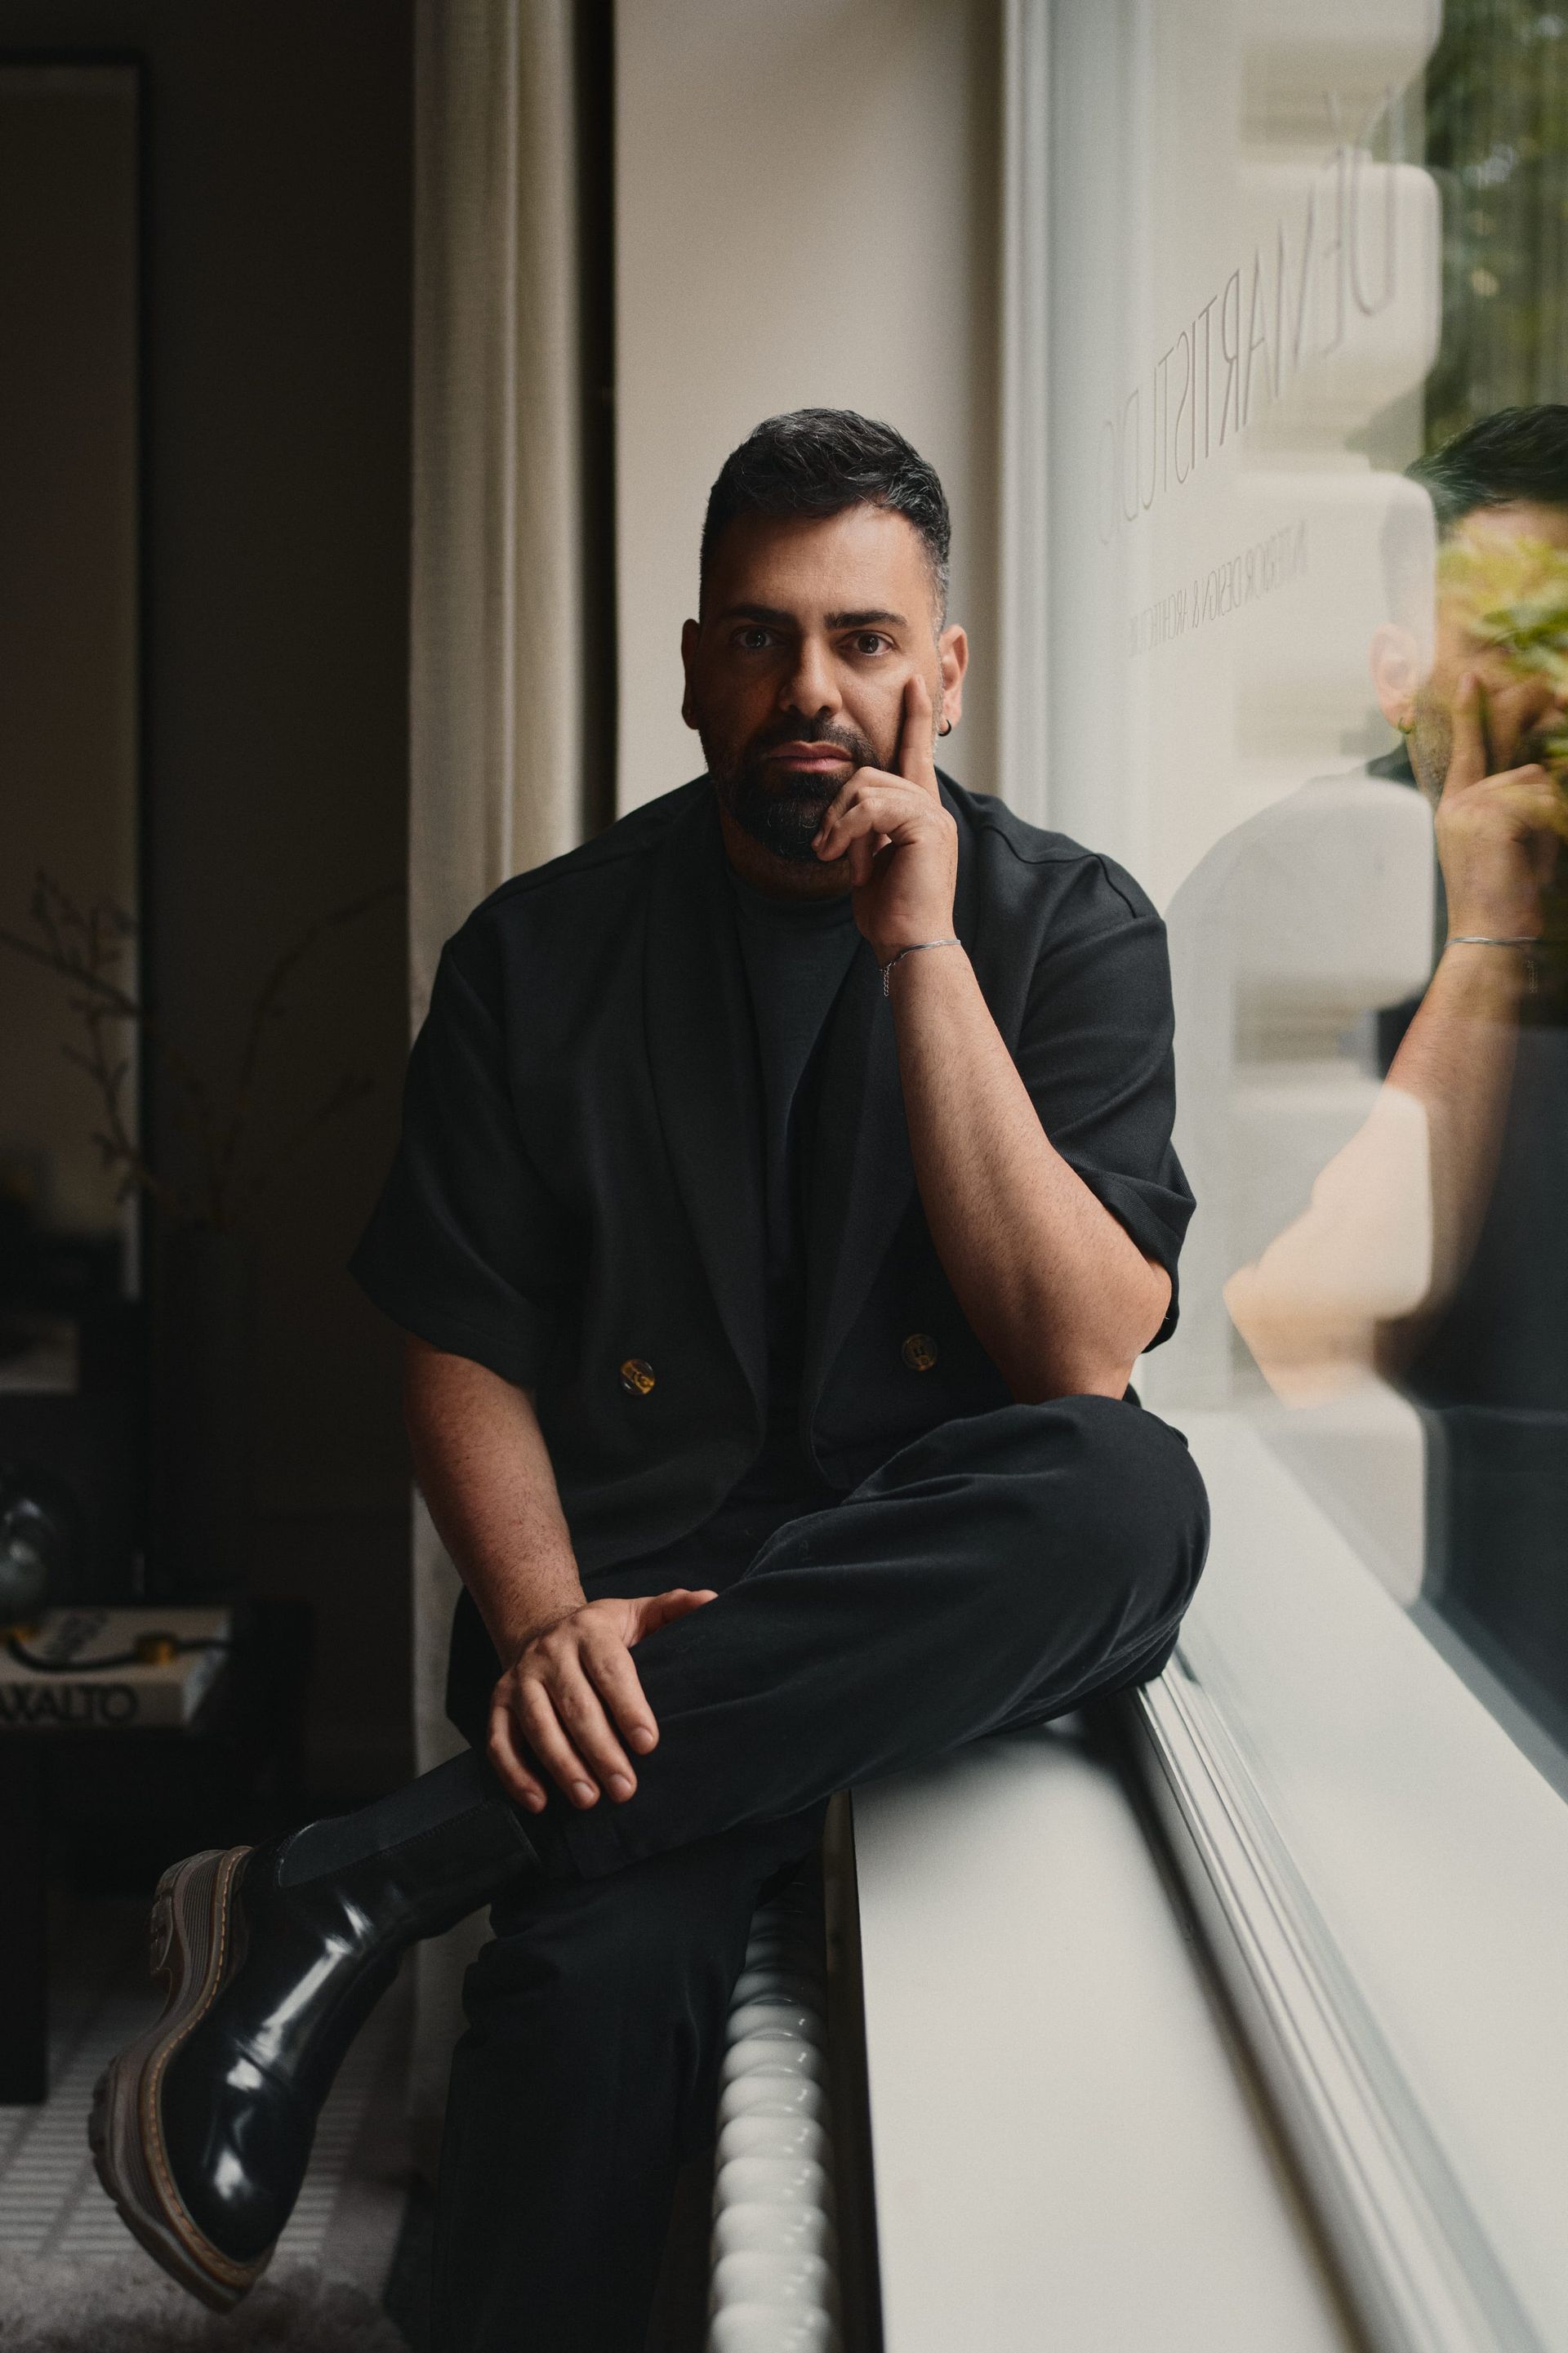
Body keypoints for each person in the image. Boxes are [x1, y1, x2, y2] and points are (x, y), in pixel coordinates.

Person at [91, 409, 1209, 2351]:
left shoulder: (1072, 930)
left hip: (909, 1635)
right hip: (618, 1642)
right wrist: (537, 1627)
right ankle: (416, 1915)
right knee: (588, 2010)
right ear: (692, 669)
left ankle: (357, 1879)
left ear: (944, 671)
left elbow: (1079, 1351)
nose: (813, 690)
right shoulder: (536, 958)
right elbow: (456, 1334)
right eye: (762, 637)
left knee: (1131, 1492)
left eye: (865, 640)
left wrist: (922, 949)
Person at [1224, 406, 1568, 1728]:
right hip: (1403, 1670)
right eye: (1517, 644)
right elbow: (1309, 1338)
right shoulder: (1289, 901)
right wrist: (1487, 941)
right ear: (1395, 671)